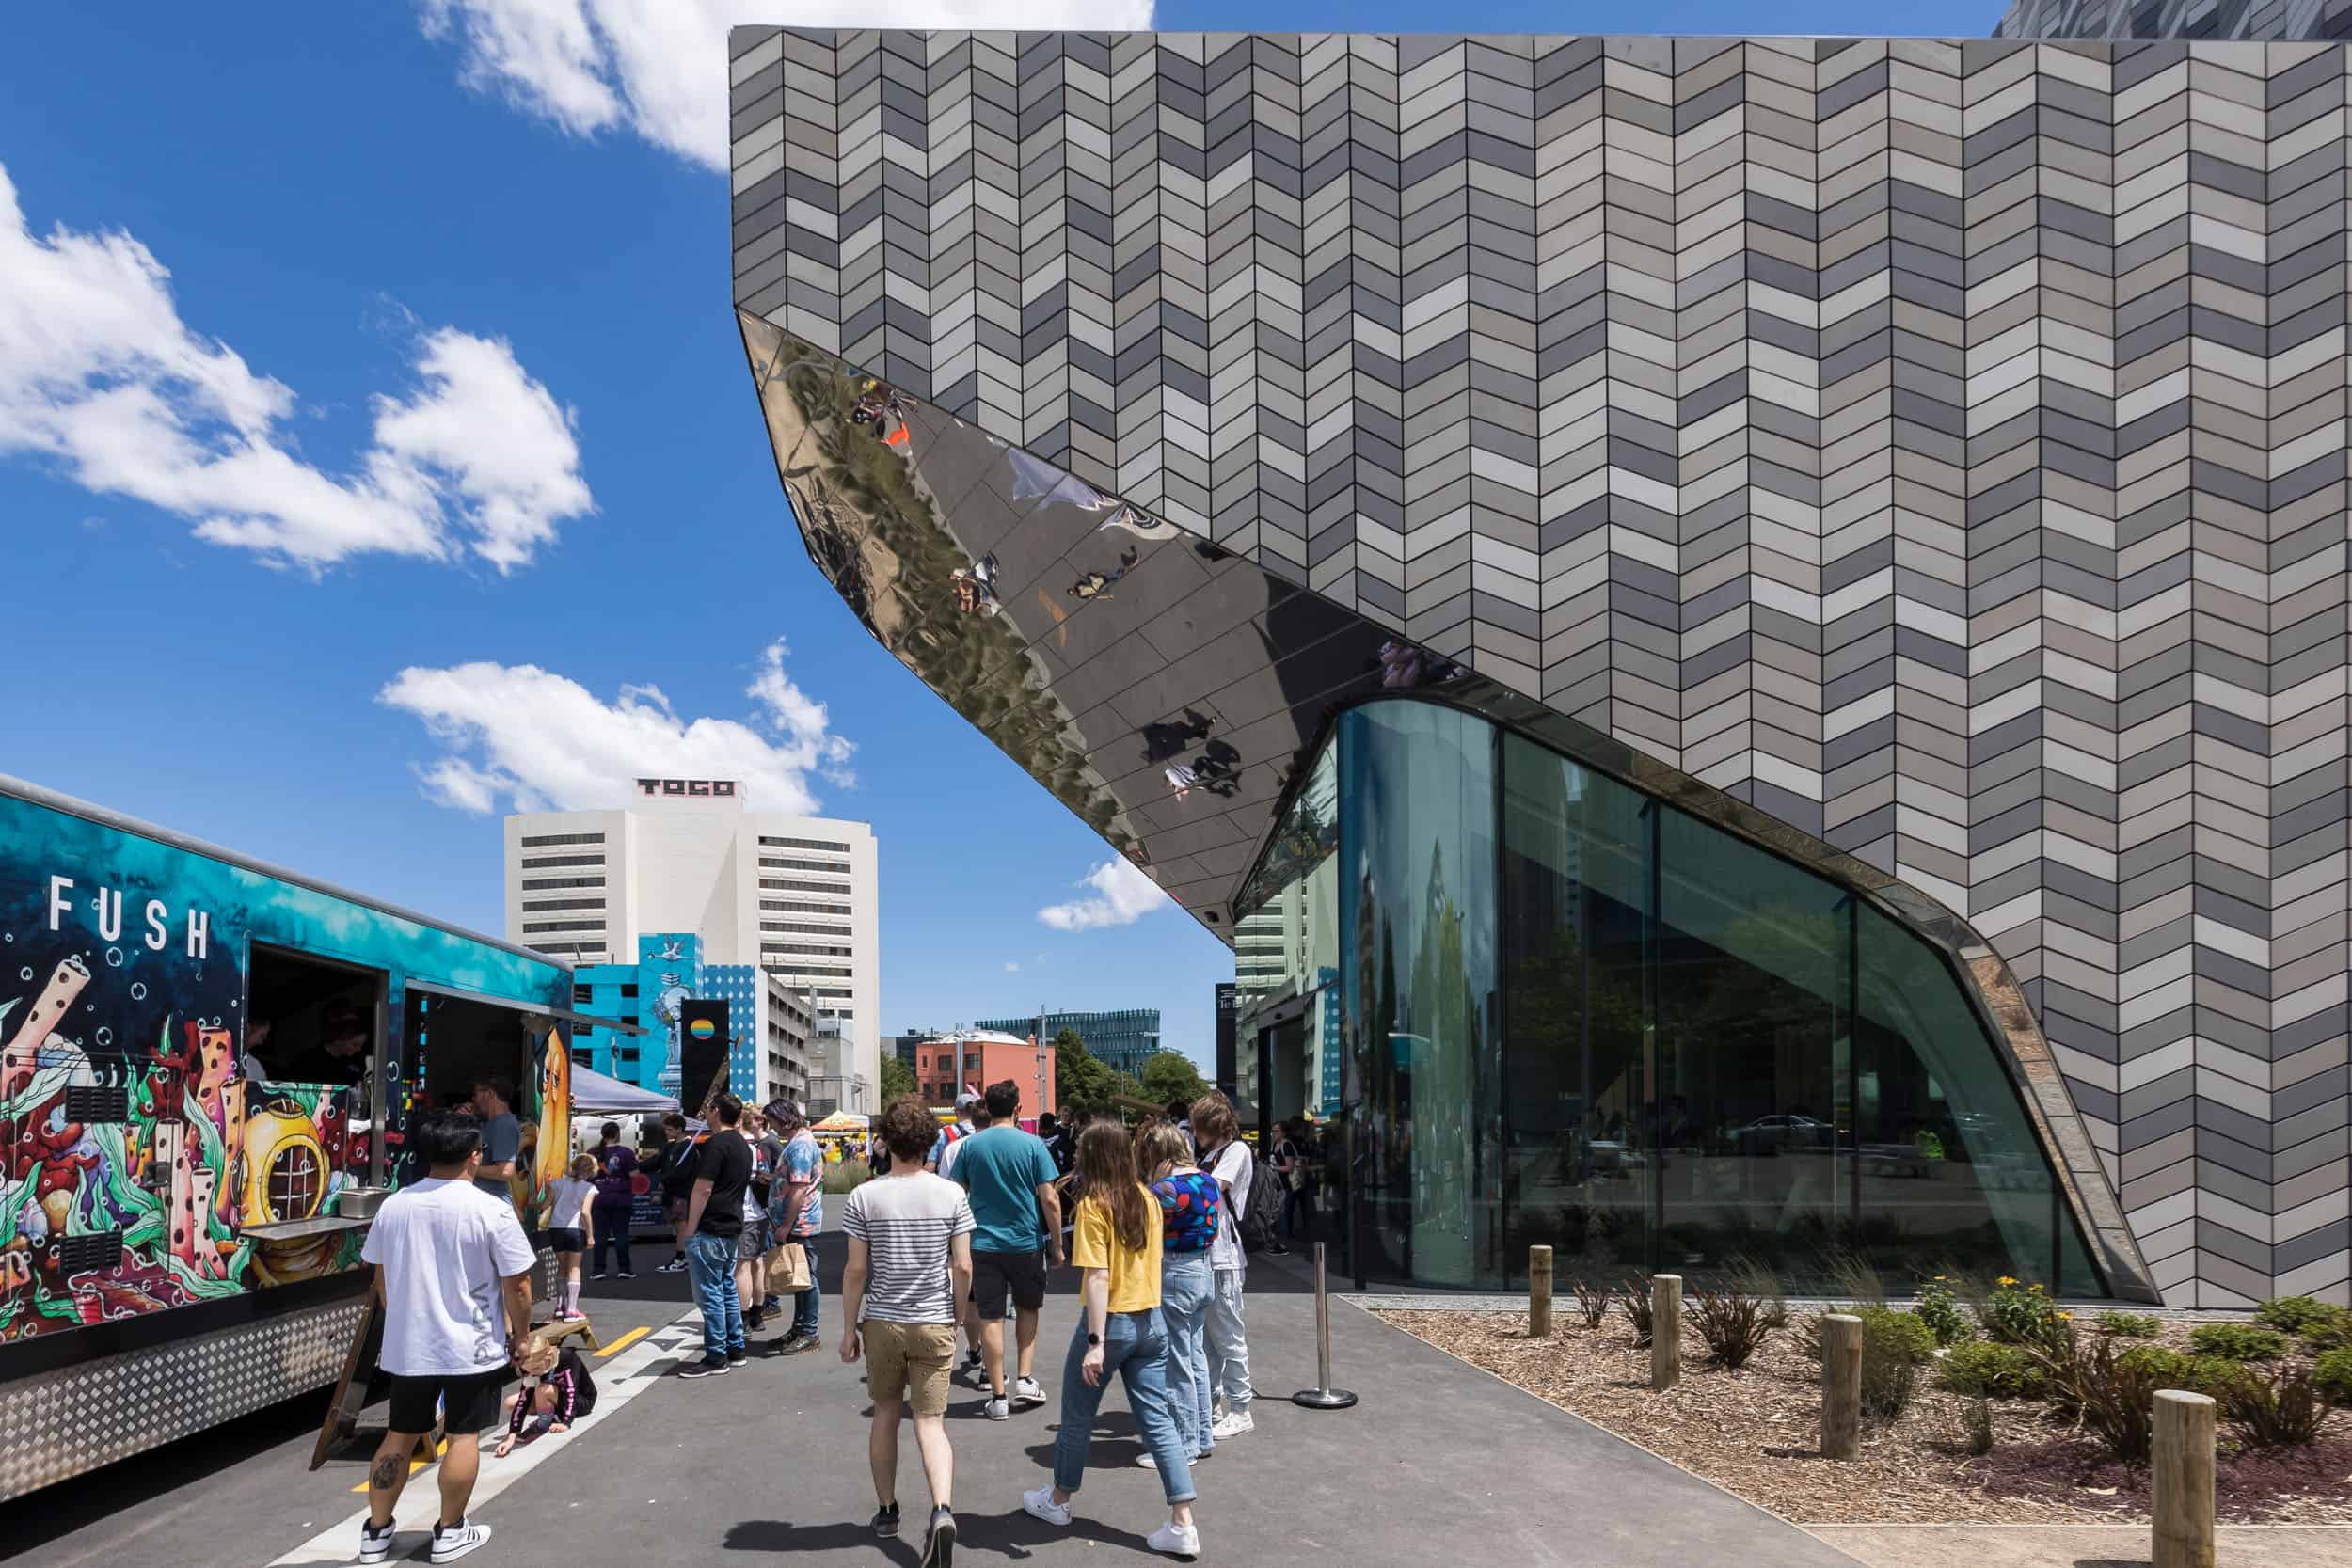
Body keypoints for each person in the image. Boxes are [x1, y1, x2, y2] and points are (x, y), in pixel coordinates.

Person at [357, 1110, 534, 1566]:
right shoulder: (491, 1209)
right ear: (474, 1157)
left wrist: (403, 1322)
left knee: (399, 1436)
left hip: (409, 1346)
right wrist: (522, 1336)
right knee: (462, 1436)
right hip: (470, 1347)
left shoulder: (394, 1205)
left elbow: (381, 1280)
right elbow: (518, 1286)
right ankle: (450, 1530)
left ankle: (375, 1533)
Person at [1019, 1120, 1201, 1559]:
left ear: (1092, 1156)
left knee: (1078, 1415)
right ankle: (1183, 1522)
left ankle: (1059, 1501)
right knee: (1158, 1422)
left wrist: (1096, 1342)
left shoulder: (1094, 1206)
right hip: (1151, 1322)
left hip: (1110, 1324)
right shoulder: (1149, 1200)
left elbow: (1099, 1277)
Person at [840, 1096, 975, 1566]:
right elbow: (962, 1265)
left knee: (885, 1413)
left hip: (883, 1320)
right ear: (928, 1142)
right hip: (935, 1318)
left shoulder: (865, 1196)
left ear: (886, 1142)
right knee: (931, 1423)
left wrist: (847, 1329)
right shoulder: (951, 1194)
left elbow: (856, 1271)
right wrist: (958, 1315)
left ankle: (887, 1509)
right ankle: (941, 1509)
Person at [951, 1080, 1064, 1419]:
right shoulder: (1033, 1145)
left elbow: (958, 1194)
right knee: (1028, 1308)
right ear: (1017, 1109)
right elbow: (1050, 1199)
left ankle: (998, 1395)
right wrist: (1057, 1245)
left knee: (991, 1317)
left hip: (982, 1243)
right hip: (1025, 1241)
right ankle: (1026, 1378)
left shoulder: (970, 1146)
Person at [1136, 1118, 1219, 1470]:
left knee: (1175, 1362)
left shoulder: (1166, 1189)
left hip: (1175, 1272)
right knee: (1195, 1356)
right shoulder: (1207, 1180)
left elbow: (1135, 1222)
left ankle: (1182, 1446)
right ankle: (1202, 1436)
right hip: (1203, 1270)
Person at [1191, 1092, 1255, 1438]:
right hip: (1208, 1255)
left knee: (1229, 1336)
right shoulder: (1212, 1154)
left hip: (1224, 1256)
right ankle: (1213, 1402)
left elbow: (1213, 1190)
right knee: (1209, 1341)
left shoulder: (1236, 1152)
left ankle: (1241, 1408)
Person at [675, 1094, 754, 1377]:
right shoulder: (744, 1146)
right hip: (731, 1224)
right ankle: (735, 1348)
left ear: (716, 1111)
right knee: (727, 1289)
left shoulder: (716, 1144)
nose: (705, 1114)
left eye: (709, 1110)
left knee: (709, 1294)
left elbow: (702, 1188)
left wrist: (691, 1227)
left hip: (710, 1226)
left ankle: (716, 1355)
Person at [767, 1100, 826, 1354]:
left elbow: (799, 1188)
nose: (772, 1127)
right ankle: (800, 1328)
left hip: (799, 1221)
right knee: (800, 1277)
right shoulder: (799, 1142)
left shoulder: (800, 1146)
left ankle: (808, 1331)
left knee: (806, 1278)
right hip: (796, 1220)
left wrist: (786, 1225)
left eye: (773, 1122)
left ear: (784, 1119)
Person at [495, 1340, 596, 1458]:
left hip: (581, 1400)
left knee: (542, 1389)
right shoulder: (531, 1368)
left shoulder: (567, 1357)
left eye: (536, 1368)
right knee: (511, 1402)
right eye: (528, 1370)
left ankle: (543, 1425)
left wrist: (566, 1422)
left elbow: (571, 1390)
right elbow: (524, 1399)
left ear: (548, 1358)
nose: (532, 1373)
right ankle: (551, 1415)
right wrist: (512, 1434)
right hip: (554, 1395)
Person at [545, 1153, 596, 1322]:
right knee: (574, 1268)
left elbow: (545, 1205)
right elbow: (585, 1213)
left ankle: (560, 1306)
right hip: (575, 1230)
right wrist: (590, 1236)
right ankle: (572, 1310)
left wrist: (531, 1201)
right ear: (590, 1171)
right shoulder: (589, 1188)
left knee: (562, 1266)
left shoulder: (557, 1183)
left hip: (555, 1228)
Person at [589, 1121, 638, 1281]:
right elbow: (634, 1174)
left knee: (600, 1236)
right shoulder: (625, 1152)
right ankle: (624, 1269)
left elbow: (586, 1175)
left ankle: (598, 1270)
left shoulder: (593, 1153)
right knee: (621, 1235)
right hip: (621, 1198)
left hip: (599, 1198)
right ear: (617, 1134)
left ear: (602, 1134)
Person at [654, 1113, 696, 1274]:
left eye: (670, 1130)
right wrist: (637, 1167)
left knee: (681, 1225)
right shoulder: (669, 1147)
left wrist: (664, 1180)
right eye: (666, 1130)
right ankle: (682, 1256)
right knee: (678, 1226)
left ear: (679, 1129)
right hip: (671, 1194)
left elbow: (682, 1173)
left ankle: (682, 1257)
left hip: (681, 1194)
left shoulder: (688, 1147)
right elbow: (656, 1161)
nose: (667, 1133)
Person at [470, 1077, 521, 1206]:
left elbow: (505, 1171)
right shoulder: (490, 1124)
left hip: (493, 1206)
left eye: (476, 1094)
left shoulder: (504, 1124)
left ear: (490, 1094)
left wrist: (467, 1169)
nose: (474, 1099)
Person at [1273, 1120, 1311, 1246]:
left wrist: (1274, 1168)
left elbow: (1289, 1167)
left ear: (1283, 1132)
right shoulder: (1275, 1144)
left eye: (1276, 1131)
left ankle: (1289, 1236)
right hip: (1281, 1182)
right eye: (1273, 1131)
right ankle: (1288, 1234)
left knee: (1288, 1209)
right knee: (1285, 1208)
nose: (1274, 1133)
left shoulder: (1286, 1145)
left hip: (1290, 1182)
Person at [926, 1091, 981, 1176]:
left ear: (956, 1112)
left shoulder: (942, 1133)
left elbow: (930, 1167)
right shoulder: (983, 1132)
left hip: (950, 1184)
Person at [1037, 1112, 1073, 1179]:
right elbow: (1069, 1165)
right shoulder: (1063, 1141)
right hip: (1058, 1181)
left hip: (1039, 1181)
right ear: (1053, 1126)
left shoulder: (1034, 1143)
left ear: (1040, 1125)